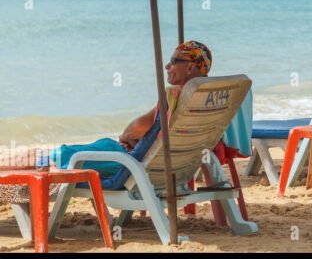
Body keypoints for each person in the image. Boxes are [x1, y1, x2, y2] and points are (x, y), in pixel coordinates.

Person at [0, 41, 212, 203]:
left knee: (42, 156)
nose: (167, 65)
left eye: (174, 61)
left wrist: (127, 139)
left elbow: (134, 130)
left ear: (191, 68)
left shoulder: (173, 97)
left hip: (124, 162)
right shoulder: (203, 100)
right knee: (42, 158)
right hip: (158, 169)